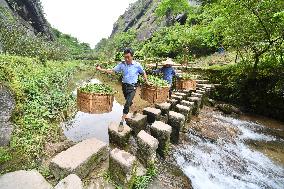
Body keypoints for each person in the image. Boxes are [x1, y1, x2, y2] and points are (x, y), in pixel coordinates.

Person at [96, 48, 148, 132]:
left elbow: (143, 72)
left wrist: (147, 81)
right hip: (124, 86)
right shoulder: (122, 65)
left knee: (127, 104)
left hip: (133, 87)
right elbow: (112, 71)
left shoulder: (137, 65)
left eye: (128, 57)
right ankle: (135, 111)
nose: (126, 59)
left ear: (132, 56)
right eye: (125, 57)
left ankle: (121, 122)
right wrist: (101, 69)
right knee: (129, 102)